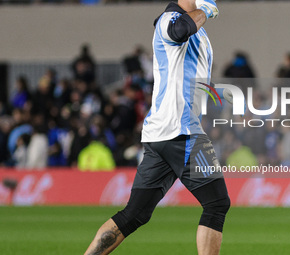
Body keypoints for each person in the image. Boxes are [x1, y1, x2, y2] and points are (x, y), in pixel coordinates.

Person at [84, 1, 230, 254]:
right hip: (179, 129)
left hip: (164, 131)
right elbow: (179, 31)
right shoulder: (169, 20)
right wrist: (205, 10)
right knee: (217, 203)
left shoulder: (197, 28)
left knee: (135, 214)